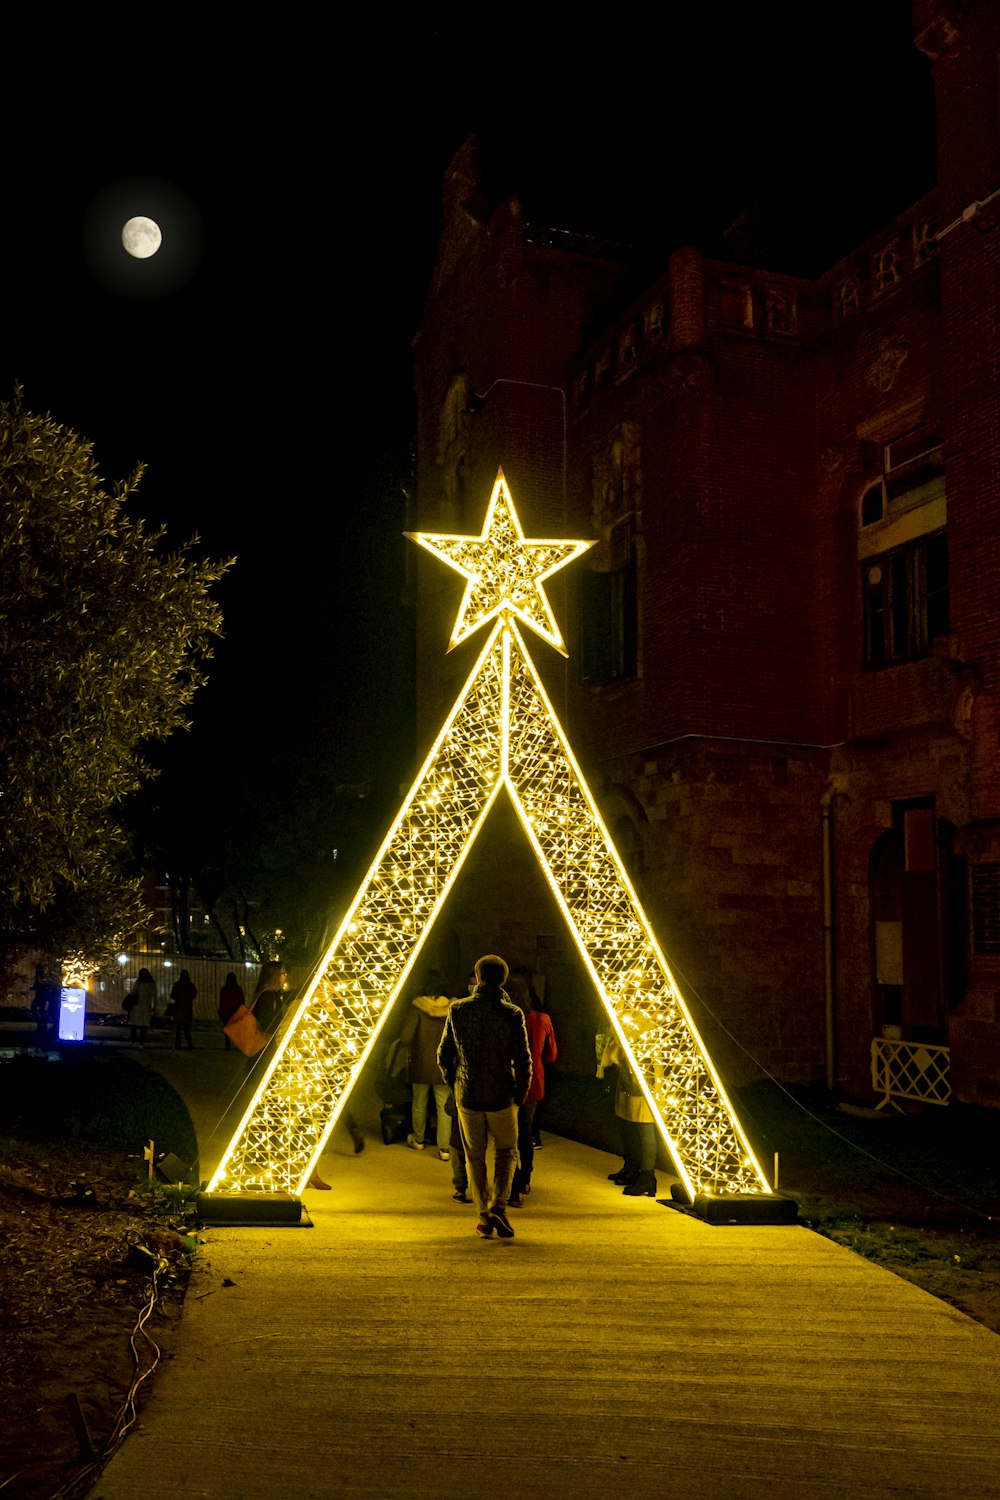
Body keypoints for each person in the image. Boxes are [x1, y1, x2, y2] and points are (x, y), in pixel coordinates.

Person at [437, 954, 531, 1240]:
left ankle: (483, 1215)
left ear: (477, 977)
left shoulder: (458, 1010)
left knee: (474, 1155)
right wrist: (521, 1092)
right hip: (502, 1094)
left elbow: (444, 1054)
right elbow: (523, 1059)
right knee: (506, 1152)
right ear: (503, 979)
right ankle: (498, 1205)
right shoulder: (512, 1013)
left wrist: (454, 1082)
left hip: (468, 1094)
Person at [506, 973, 557, 1207]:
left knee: (507, 1135)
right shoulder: (541, 1019)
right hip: (533, 1082)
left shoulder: (505, 1018)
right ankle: (524, 1178)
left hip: (506, 1082)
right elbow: (552, 1054)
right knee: (525, 1133)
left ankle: (510, 1185)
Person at [597, 1033, 657, 1198]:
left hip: (644, 1078)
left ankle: (647, 1176)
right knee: (630, 1125)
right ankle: (633, 1168)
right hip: (629, 1076)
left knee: (645, 1128)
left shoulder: (647, 1026)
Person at [400, 973, 453, 1159]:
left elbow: (406, 1036)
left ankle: (418, 1139)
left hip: (421, 1061)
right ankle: (444, 1148)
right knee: (443, 1105)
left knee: (419, 1102)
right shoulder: (453, 1008)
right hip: (443, 1064)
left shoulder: (418, 1007)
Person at [169, 968, 197, 1050]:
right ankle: (190, 1044)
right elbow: (194, 995)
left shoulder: (177, 985)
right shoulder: (191, 985)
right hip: (187, 1009)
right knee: (186, 1029)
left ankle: (178, 1045)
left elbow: (172, 995)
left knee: (178, 1029)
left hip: (178, 1008)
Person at [129, 967, 158, 1045]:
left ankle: (133, 1040)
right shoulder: (152, 984)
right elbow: (154, 997)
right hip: (146, 1006)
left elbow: (132, 992)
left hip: (136, 1006)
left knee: (134, 1024)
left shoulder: (138, 982)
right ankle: (141, 1042)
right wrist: (153, 1007)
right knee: (143, 1025)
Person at [218, 971, 245, 1050]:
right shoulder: (238, 989)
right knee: (236, 1030)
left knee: (227, 1030)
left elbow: (222, 1001)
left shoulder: (224, 989)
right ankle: (238, 1045)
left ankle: (227, 1045)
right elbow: (241, 1000)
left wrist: (221, 1011)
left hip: (227, 1012)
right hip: (235, 1012)